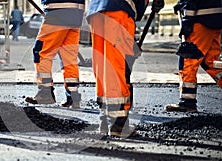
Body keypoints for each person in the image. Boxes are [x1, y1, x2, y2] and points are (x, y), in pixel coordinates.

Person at [86, 0, 164, 137]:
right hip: (119, 8)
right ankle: (118, 124)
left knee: (103, 66)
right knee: (117, 66)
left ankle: (105, 120)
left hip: (95, 10)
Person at [24, 0, 85, 108]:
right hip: (76, 13)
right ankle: (73, 95)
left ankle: (45, 93)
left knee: (41, 52)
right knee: (69, 57)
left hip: (57, 11)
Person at [165, 0, 222, 112]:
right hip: (216, 21)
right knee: (211, 62)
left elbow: (191, 2)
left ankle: (187, 102)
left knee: (188, 60)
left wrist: (187, 21)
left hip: (200, 21)